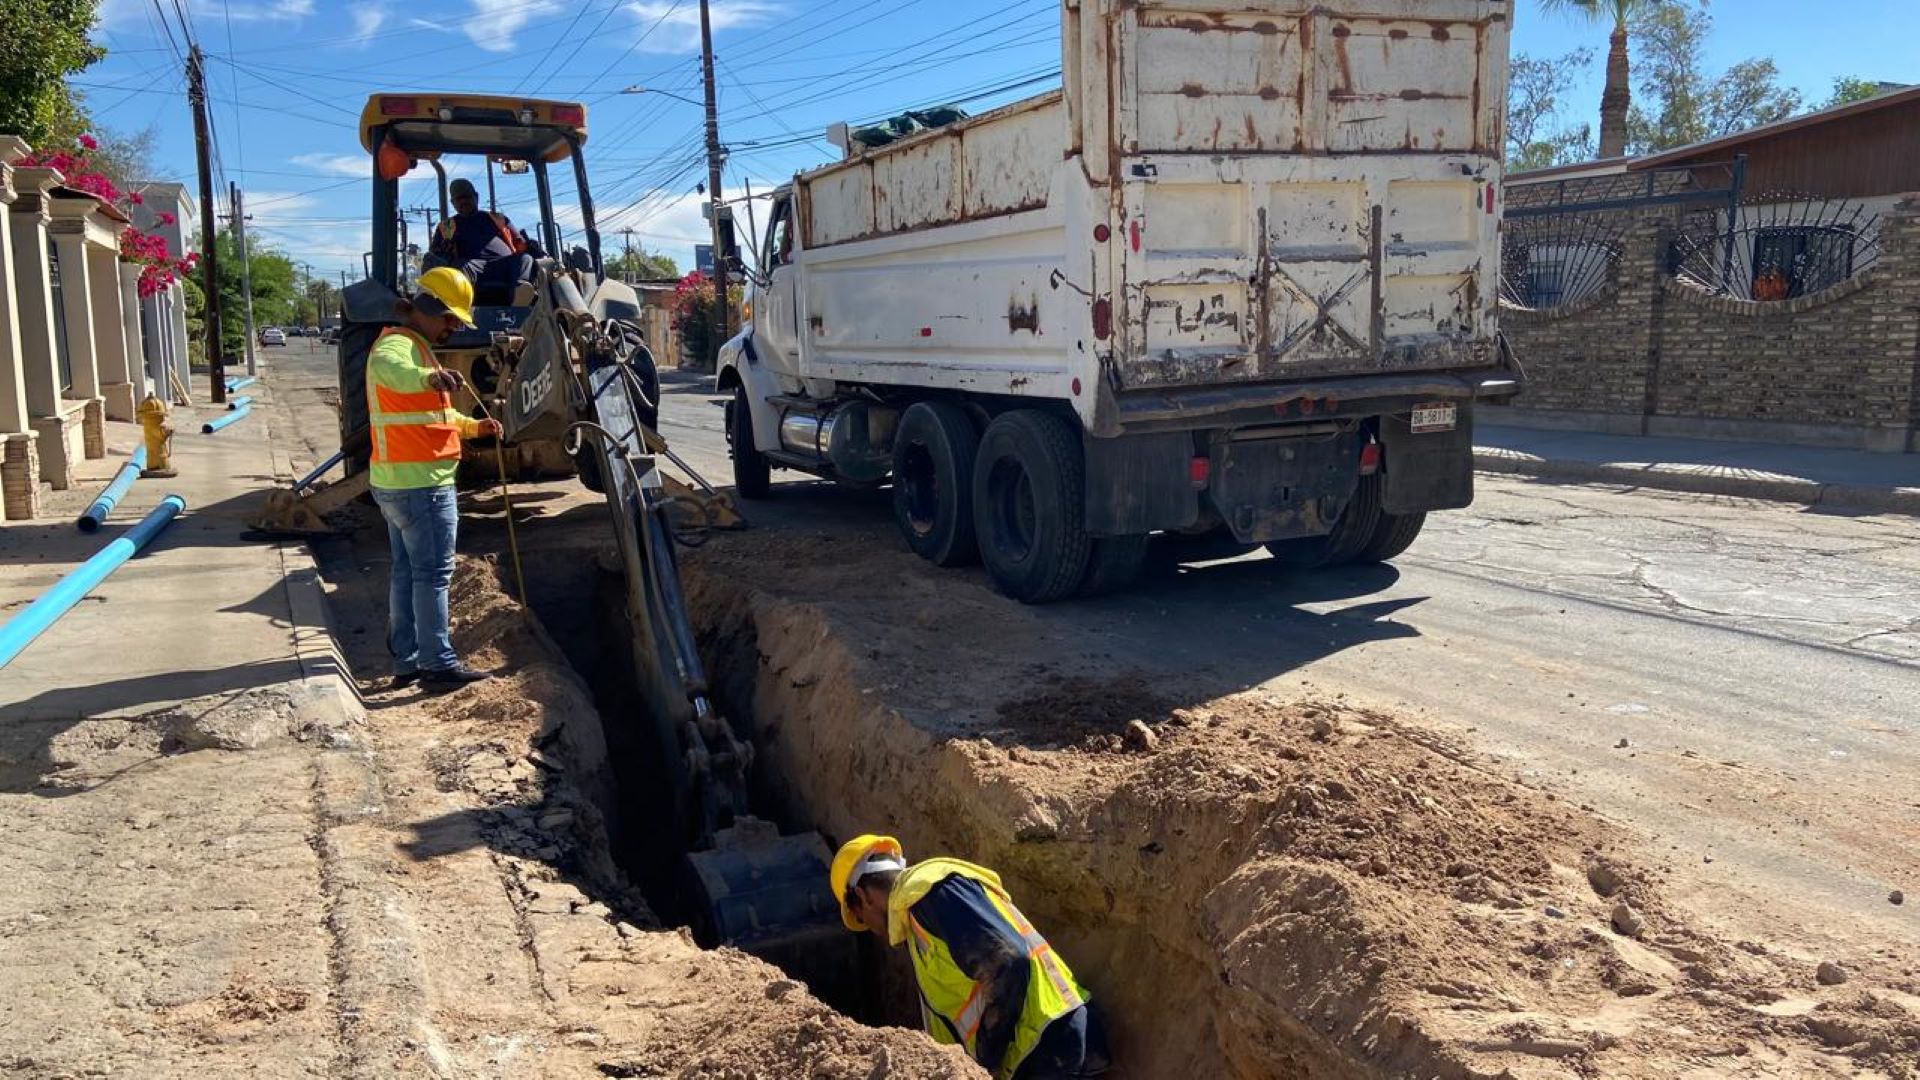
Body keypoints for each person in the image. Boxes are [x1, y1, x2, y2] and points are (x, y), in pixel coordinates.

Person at [832, 835, 1109, 1080]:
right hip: (1050, 1046)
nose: (872, 928)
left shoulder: (930, 892)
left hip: (1046, 1045)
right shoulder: (919, 918)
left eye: (861, 919)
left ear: (861, 896)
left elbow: (1008, 962)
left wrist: (985, 1060)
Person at [368, 267, 501, 689]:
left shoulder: (420, 350)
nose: (454, 328)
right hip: (421, 486)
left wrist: (474, 427)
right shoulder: (397, 348)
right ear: (429, 309)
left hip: (399, 484)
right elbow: (394, 374)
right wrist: (428, 377)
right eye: (450, 319)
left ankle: (407, 662)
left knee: (408, 573)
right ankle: (437, 664)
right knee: (433, 575)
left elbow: (434, 418)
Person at [429, 177, 533, 298]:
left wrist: (529, 246)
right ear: (453, 203)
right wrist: (444, 254)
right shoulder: (447, 227)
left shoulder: (496, 218)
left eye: (467, 196)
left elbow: (521, 244)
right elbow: (435, 255)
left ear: (476, 197)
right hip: (472, 268)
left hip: (501, 265)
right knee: (457, 266)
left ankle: (521, 293)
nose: (463, 202)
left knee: (525, 259)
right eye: (459, 199)